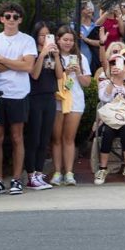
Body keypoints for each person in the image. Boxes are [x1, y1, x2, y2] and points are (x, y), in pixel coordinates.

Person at [0, 3, 37, 196]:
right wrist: (15, 62)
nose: (11, 20)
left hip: (19, 93)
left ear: (20, 19)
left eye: (15, 17)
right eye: (7, 16)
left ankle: (17, 179)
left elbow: (28, 67)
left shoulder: (27, 40)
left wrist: (3, 60)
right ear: (1, 18)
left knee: (17, 137)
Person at [50, 26, 90, 186]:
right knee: (56, 138)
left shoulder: (80, 58)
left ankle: (69, 172)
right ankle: (57, 172)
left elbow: (87, 83)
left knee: (69, 138)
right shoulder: (53, 56)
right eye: (64, 39)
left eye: (71, 40)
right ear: (58, 40)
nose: (68, 43)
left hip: (75, 100)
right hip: (58, 100)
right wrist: (64, 70)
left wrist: (78, 72)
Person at [94, 54, 125, 185]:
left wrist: (124, 79)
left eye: (119, 63)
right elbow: (104, 98)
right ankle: (103, 168)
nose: (116, 66)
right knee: (109, 129)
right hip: (110, 120)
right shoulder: (104, 82)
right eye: (112, 63)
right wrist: (113, 79)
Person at [25, 21, 59, 191]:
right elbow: (35, 74)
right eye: (42, 35)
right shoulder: (33, 52)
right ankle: (30, 174)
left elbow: (59, 75)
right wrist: (42, 54)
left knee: (45, 138)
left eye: (48, 35)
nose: (45, 38)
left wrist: (56, 55)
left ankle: (39, 172)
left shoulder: (52, 54)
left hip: (50, 97)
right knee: (34, 137)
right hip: (34, 97)